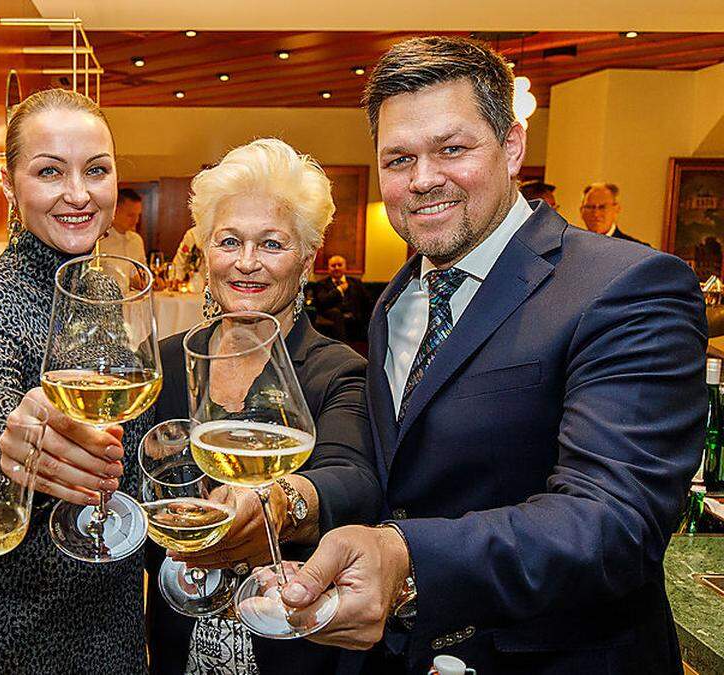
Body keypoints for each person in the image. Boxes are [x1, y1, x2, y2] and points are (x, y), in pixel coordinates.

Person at [282, 36, 706, 674]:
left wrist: (407, 561)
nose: (424, 179)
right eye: (398, 159)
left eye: (453, 149)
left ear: (511, 147)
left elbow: (616, 524)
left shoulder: (628, 285)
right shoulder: (395, 300)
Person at [140, 138, 381, 674]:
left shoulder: (337, 370)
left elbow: (352, 477)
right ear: (205, 251)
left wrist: (281, 503)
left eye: (272, 244)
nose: (246, 264)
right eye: (229, 241)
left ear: (307, 258)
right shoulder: (161, 362)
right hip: (175, 639)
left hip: (290, 641)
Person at [0, 88, 147, 673]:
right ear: (10, 187)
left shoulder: (101, 288)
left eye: (96, 171)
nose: (78, 194)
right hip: (23, 622)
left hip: (111, 603)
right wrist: (14, 432)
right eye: (49, 171)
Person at [312, 254, 373, 345]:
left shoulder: (355, 283)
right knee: (336, 313)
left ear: (345, 267)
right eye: (333, 266)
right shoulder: (321, 284)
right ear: (329, 268)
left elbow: (368, 301)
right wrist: (339, 290)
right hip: (334, 317)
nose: (336, 268)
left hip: (355, 318)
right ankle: (343, 346)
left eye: (339, 265)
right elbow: (322, 301)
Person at [580, 181, 650, 245]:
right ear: (581, 211)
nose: (596, 213)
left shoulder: (639, 251)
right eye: (589, 207)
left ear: (616, 209)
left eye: (602, 207)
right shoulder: (572, 246)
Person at [98, 187, 146, 262]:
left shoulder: (137, 240)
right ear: (115, 211)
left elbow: (143, 271)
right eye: (131, 215)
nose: (136, 221)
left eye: (138, 215)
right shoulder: (100, 242)